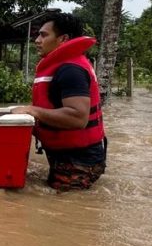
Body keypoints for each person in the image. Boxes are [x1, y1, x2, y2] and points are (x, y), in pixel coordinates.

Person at [11, 12, 107, 191]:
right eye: (38, 35)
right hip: (70, 157)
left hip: (79, 161)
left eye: (44, 35)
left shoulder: (71, 70)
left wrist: (34, 111)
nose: (37, 40)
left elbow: (78, 118)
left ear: (63, 39)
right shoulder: (64, 66)